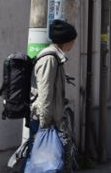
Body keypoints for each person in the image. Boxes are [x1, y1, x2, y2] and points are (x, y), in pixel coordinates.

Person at [30, 19, 78, 171]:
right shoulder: (49, 59)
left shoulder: (56, 58)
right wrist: (45, 123)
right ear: (66, 41)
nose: (74, 44)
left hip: (51, 120)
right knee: (44, 163)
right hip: (45, 121)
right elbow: (45, 92)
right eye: (73, 40)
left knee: (49, 162)